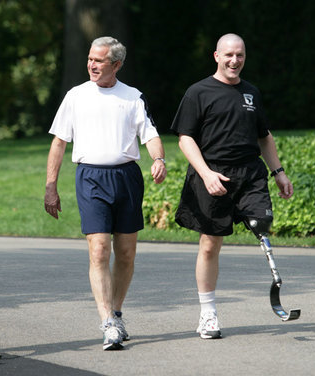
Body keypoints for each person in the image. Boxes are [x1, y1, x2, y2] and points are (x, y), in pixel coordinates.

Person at [44, 36, 167, 350]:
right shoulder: (76, 96)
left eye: (99, 61)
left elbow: (150, 134)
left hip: (126, 177)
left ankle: (116, 311)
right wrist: (50, 187)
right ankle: (108, 323)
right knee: (99, 250)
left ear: (117, 65)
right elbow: (59, 143)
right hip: (90, 178)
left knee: (125, 253)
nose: (91, 65)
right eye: (89, 59)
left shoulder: (133, 97)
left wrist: (159, 159)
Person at [170, 33, 293, 339]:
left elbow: (263, 135)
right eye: (228, 55)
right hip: (213, 175)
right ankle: (208, 314)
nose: (234, 61)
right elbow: (185, 138)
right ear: (216, 56)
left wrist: (278, 171)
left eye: (240, 55)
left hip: (250, 174)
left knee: (261, 222)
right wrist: (206, 173)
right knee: (211, 244)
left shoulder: (251, 93)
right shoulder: (198, 92)